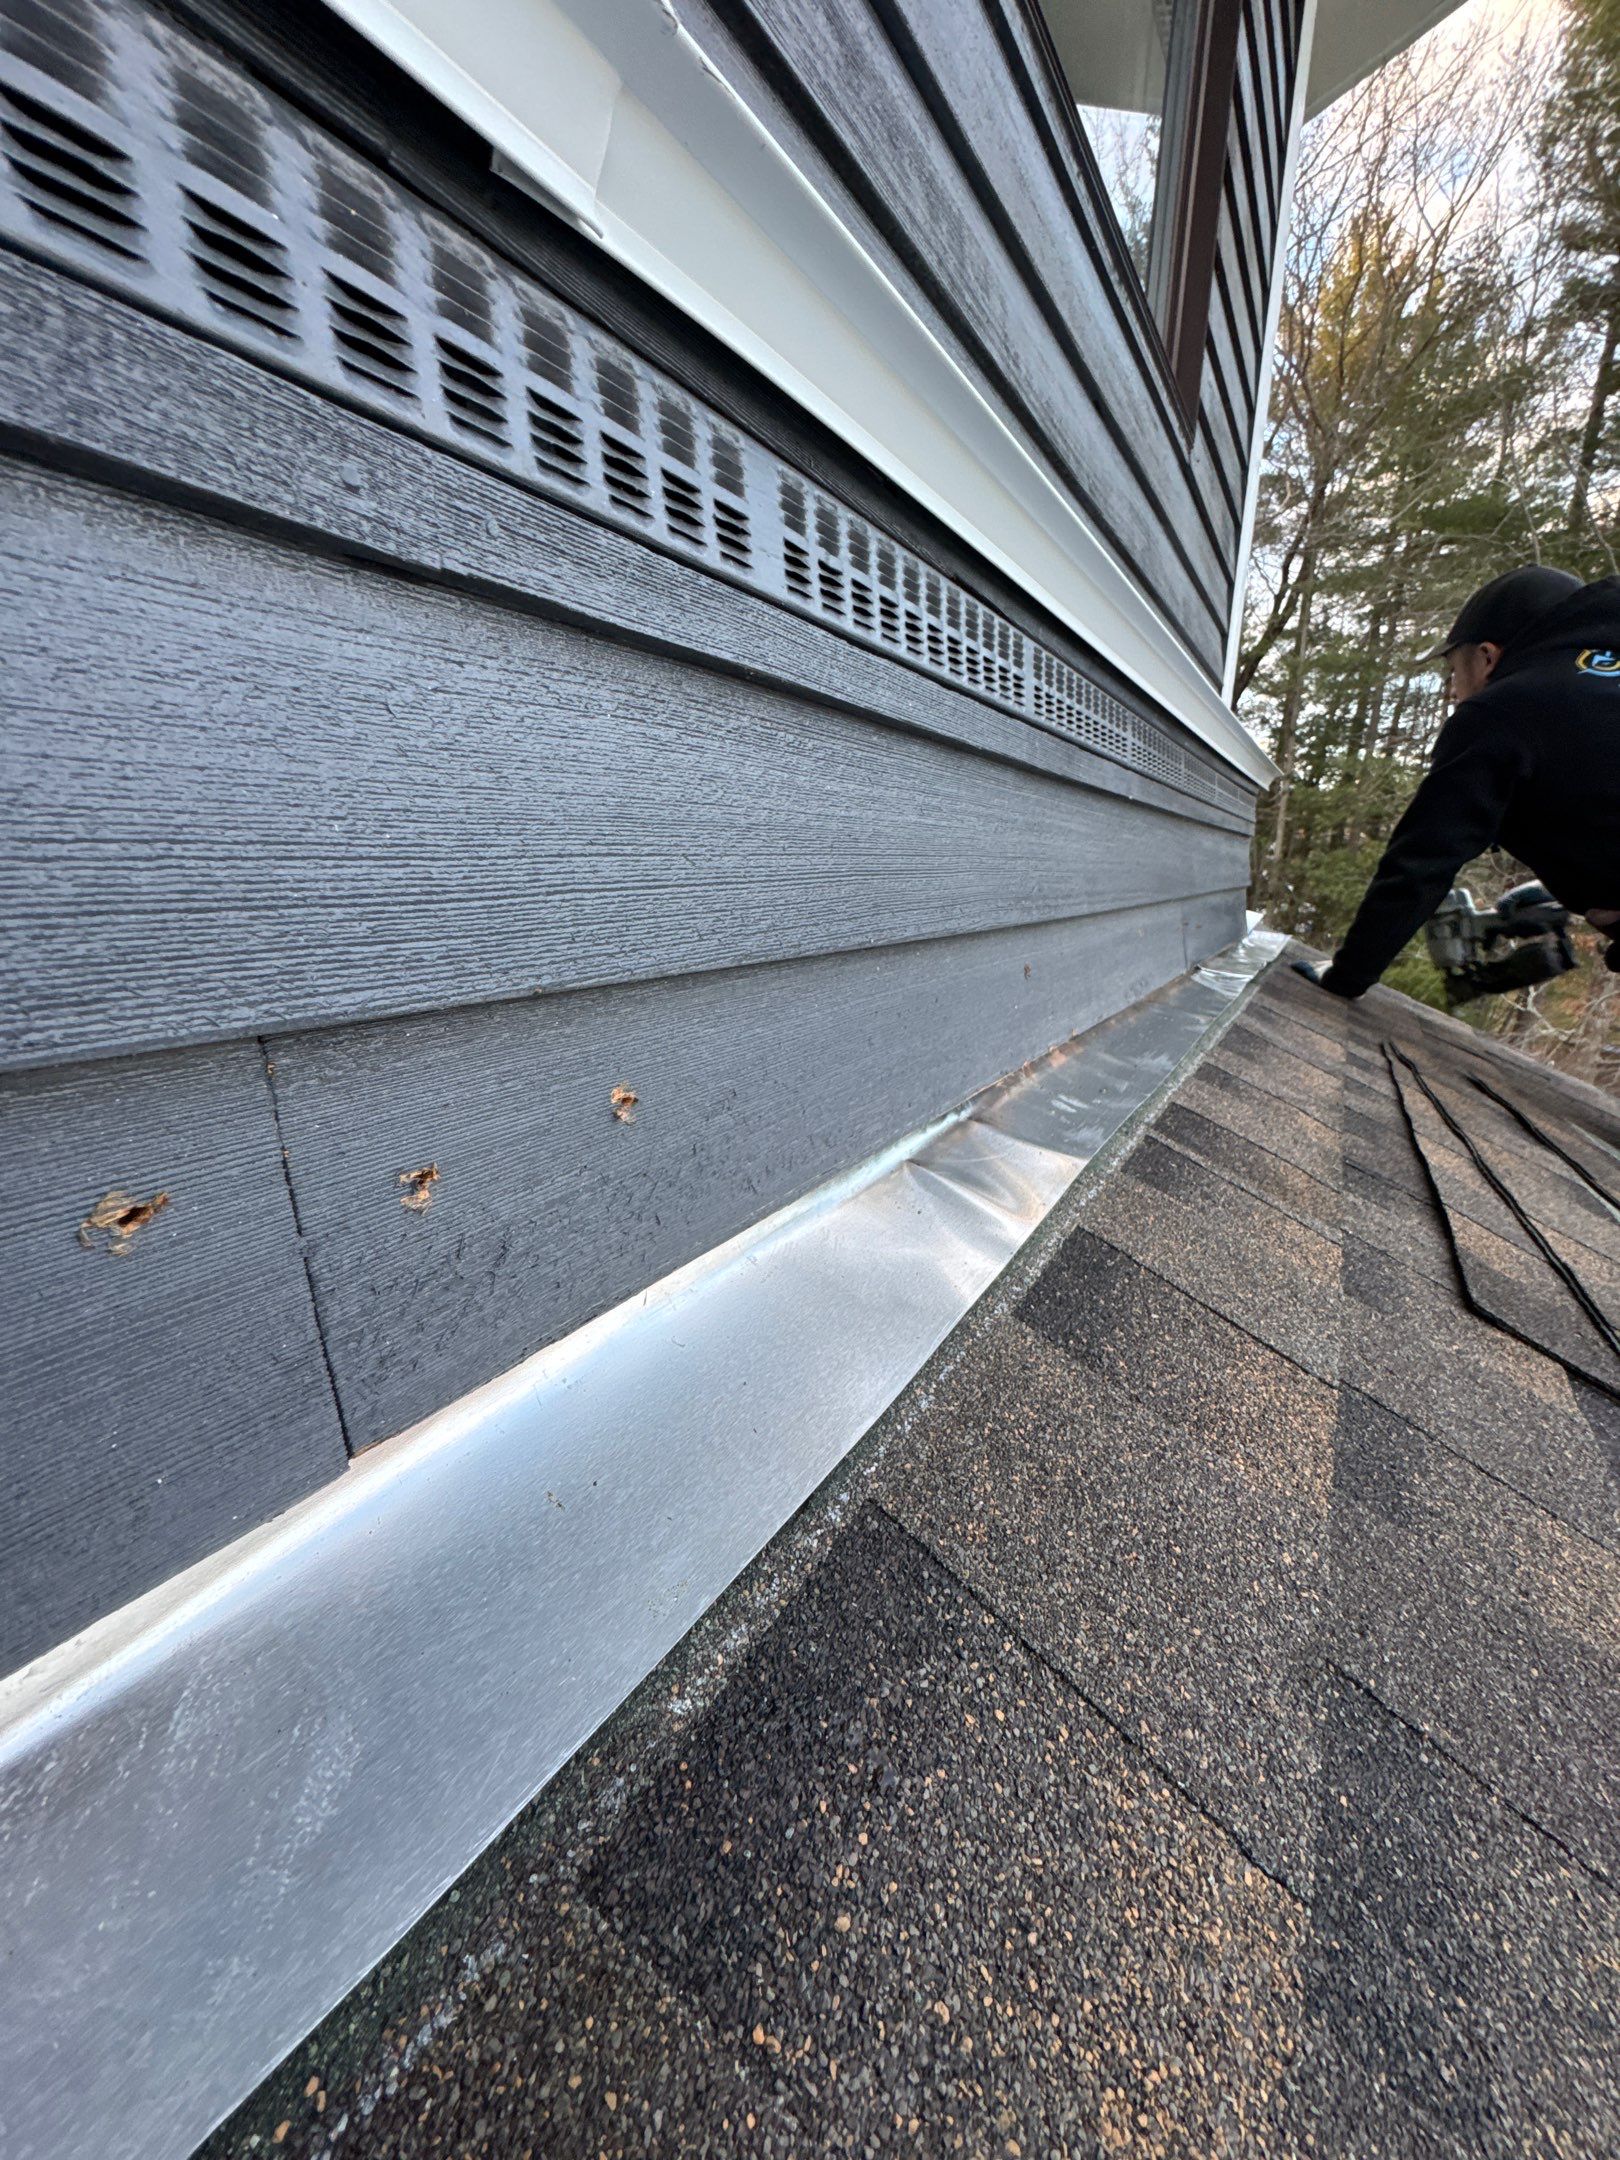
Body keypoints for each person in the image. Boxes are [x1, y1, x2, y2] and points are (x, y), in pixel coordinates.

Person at [1294, 565, 1620, 997]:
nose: (1451, 692)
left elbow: (1423, 860)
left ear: (1487, 656)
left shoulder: (1506, 709)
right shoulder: (1593, 689)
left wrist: (1348, 974)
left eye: (1453, 671)